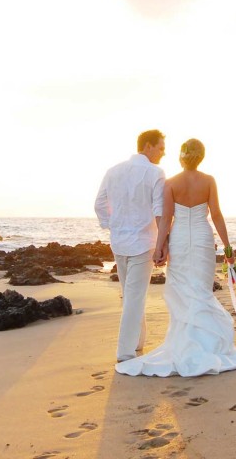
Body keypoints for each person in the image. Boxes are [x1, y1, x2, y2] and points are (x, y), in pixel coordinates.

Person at [115, 138, 236, 377]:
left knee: (183, 291)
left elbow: (166, 220)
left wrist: (160, 248)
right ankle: (207, 343)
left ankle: (187, 343)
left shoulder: (170, 183)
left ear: (182, 157)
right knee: (200, 289)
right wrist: (228, 249)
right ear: (201, 157)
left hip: (178, 239)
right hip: (201, 238)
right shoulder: (209, 181)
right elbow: (217, 215)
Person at [95, 130, 167, 362]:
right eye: (161, 148)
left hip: (119, 242)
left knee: (131, 296)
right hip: (143, 242)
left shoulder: (113, 171)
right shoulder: (155, 172)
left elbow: (99, 203)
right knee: (134, 298)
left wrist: (112, 225)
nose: (163, 153)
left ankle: (137, 342)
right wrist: (163, 244)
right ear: (147, 146)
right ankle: (124, 353)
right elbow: (159, 210)